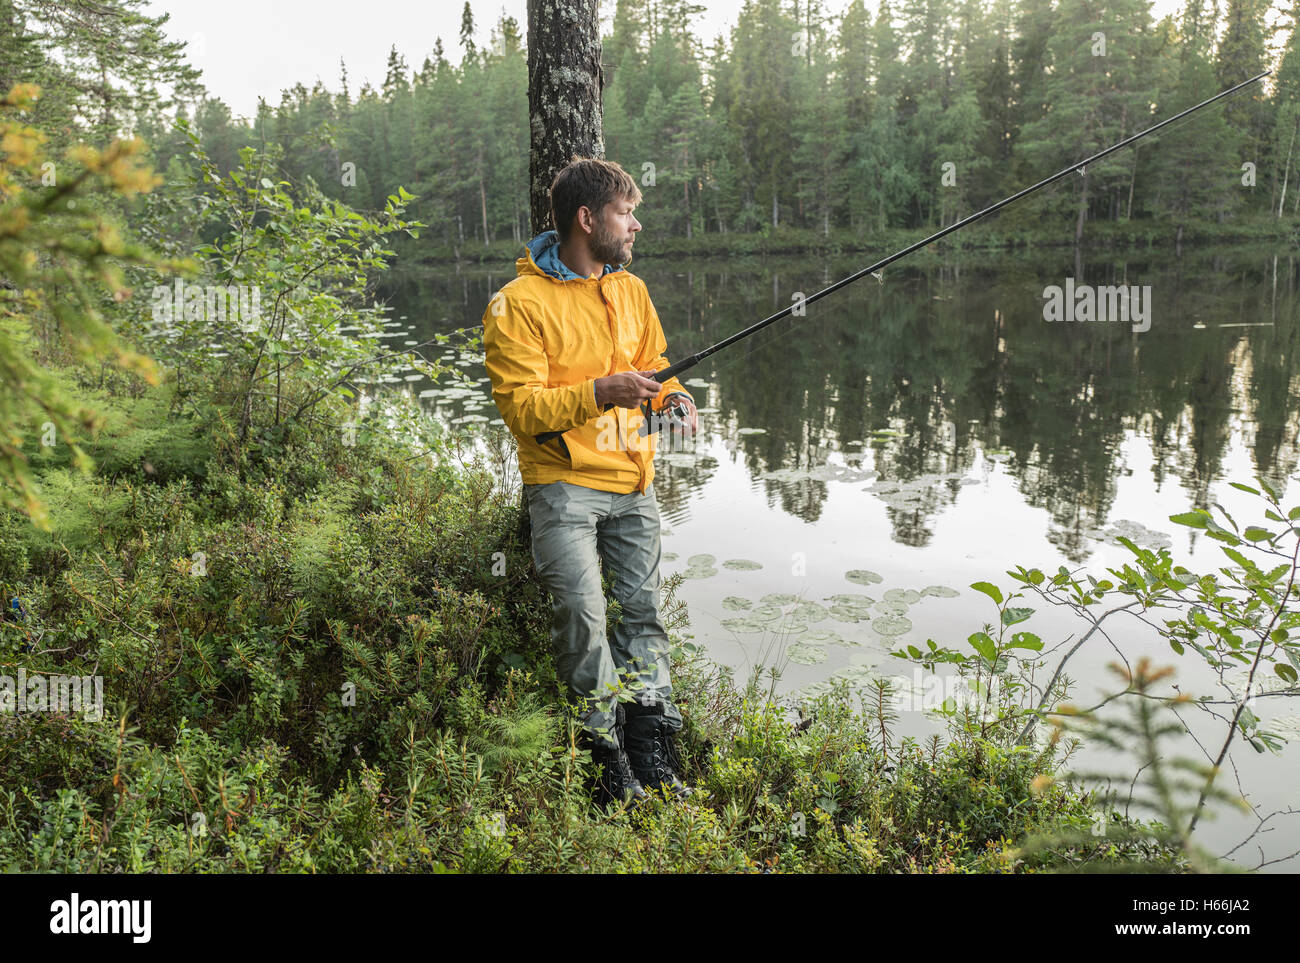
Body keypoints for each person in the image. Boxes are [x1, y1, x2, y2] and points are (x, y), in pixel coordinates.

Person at [481, 156, 697, 805]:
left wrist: (674, 404)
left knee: (643, 616)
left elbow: (657, 369)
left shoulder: (630, 291)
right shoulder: (516, 304)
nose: (634, 224)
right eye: (624, 212)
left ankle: (651, 747)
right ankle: (604, 760)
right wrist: (600, 391)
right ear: (587, 218)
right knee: (582, 616)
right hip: (563, 487)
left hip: (633, 483)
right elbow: (522, 408)